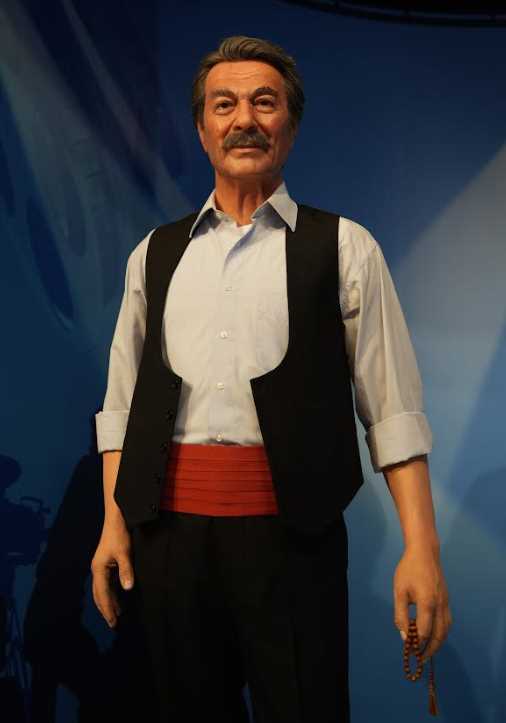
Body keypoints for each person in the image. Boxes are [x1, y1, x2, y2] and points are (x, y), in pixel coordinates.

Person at [91, 35, 451, 723]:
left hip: (296, 545)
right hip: (167, 545)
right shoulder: (154, 254)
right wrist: (112, 526)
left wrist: (422, 549)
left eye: (264, 102)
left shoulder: (345, 248)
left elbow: (394, 412)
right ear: (202, 129)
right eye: (223, 105)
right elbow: (121, 409)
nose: (244, 120)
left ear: (290, 124)